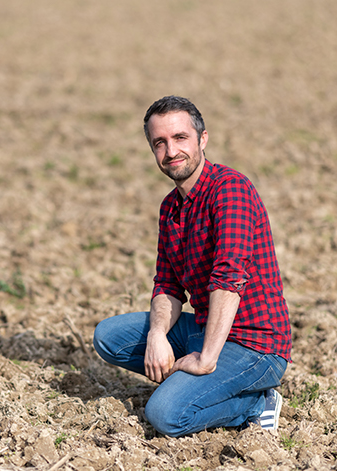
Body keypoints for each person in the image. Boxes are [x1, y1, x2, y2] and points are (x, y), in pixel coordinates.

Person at [93, 96, 291, 437]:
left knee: (166, 414)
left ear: (202, 139)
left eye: (180, 138)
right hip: (205, 328)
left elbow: (229, 280)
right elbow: (167, 285)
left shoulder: (230, 190)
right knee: (108, 337)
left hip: (255, 345)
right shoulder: (171, 208)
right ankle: (207, 380)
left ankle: (256, 403)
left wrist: (205, 359)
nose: (171, 152)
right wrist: (157, 335)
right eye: (160, 143)